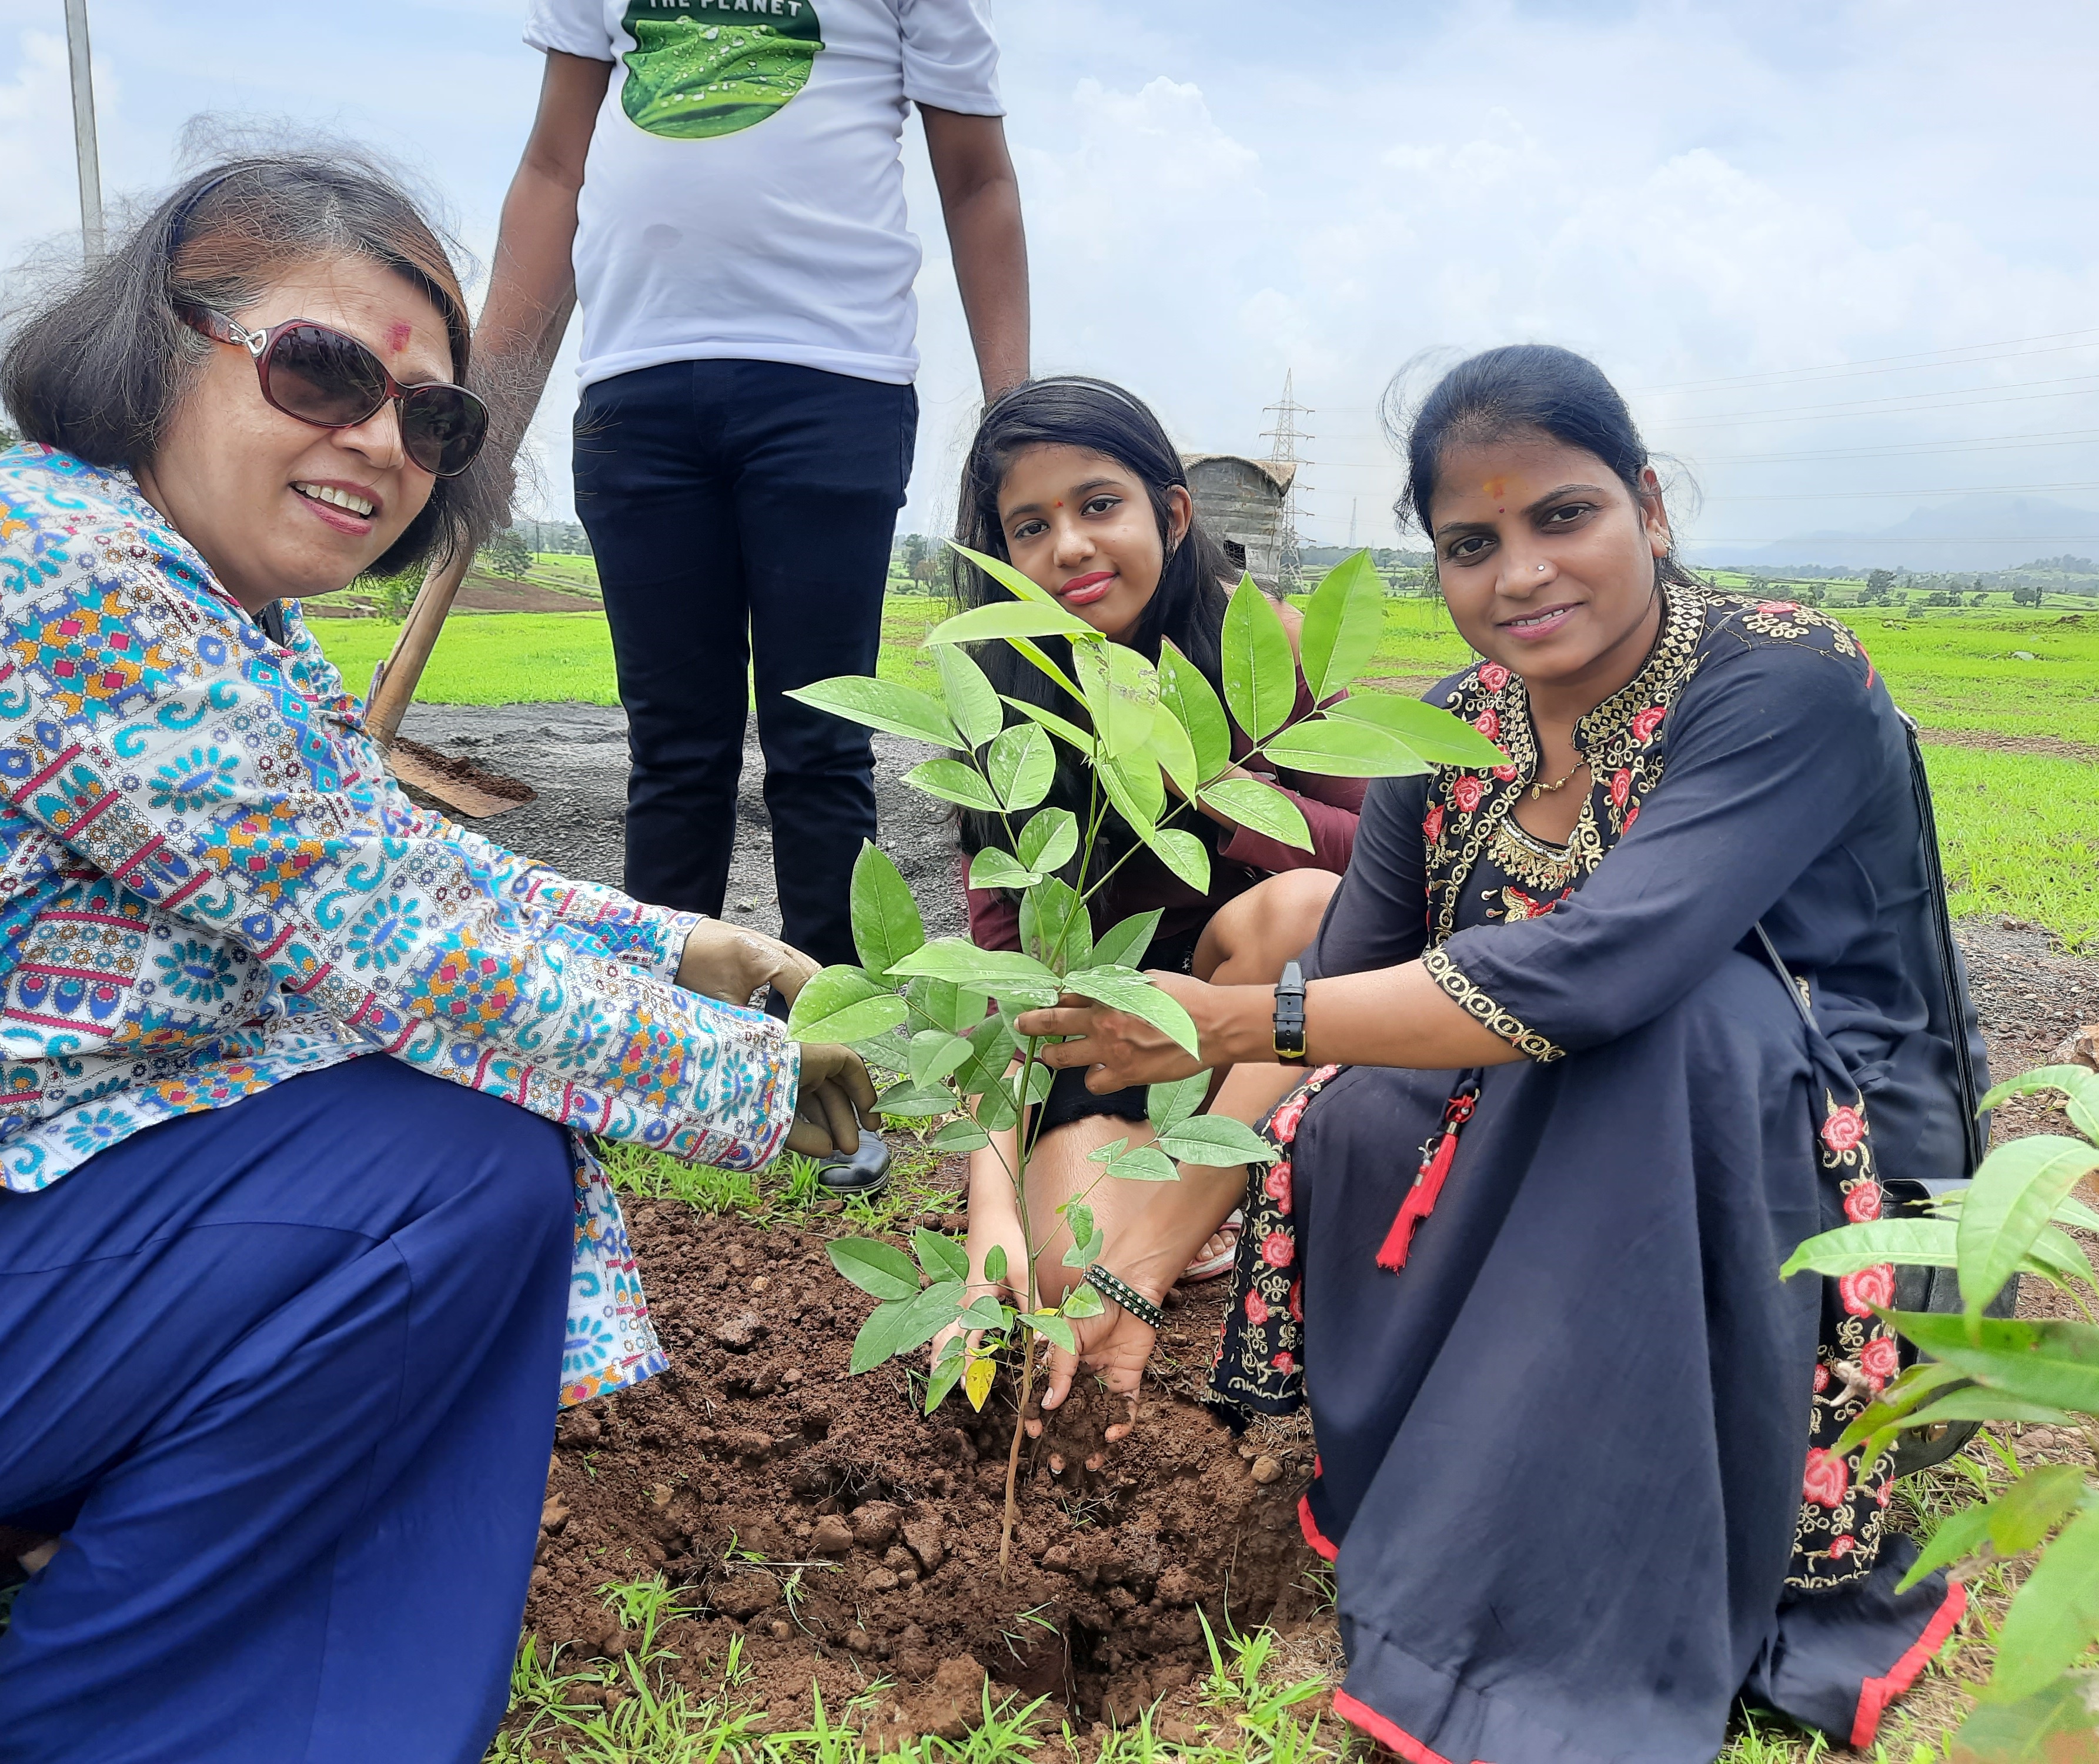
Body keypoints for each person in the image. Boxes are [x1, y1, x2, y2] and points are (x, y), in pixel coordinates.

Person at [0, 153, 874, 1764]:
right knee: (445, 1168)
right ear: (157, 339)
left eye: (433, 419)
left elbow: (399, 866)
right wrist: (754, 1080)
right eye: (320, 370)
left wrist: (689, 948)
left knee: (444, 1149)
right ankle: (144, 1717)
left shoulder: (209, 606)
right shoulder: (60, 576)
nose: (381, 444)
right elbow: (389, 943)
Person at [1009, 346, 1986, 1759]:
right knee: (1352, 1117)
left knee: (1686, 1018)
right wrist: (1133, 1272)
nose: (1520, 573)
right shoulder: (1452, 734)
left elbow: (1607, 967)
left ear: (1648, 506)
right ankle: (1479, 1458)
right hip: (1586, 1111)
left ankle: (1576, 1588)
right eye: (1473, 543)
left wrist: (1245, 1011)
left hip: (1822, 1174)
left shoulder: (1784, 675)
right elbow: (1339, 998)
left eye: (1562, 517)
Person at [477, 1, 1029, 1191]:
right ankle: (654, 1077)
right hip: (637, 392)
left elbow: (975, 180)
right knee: (672, 749)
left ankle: (839, 1090)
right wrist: (480, 420)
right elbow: (553, 168)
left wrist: (1014, 415)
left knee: (819, 749)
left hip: (835, 385)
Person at [946, 378, 1362, 1304]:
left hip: (1256, 1014)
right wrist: (989, 1233)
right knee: (1066, 1268)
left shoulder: (1261, 647)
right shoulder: (1001, 704)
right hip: (1108, 1026)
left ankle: (1212, 1194)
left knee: (1303, 908)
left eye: (1099, 505)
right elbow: (1005, 985)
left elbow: (1388, 866)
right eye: (1029, 527)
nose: (1071, 546)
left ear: (1172, 514)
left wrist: (1215, 794)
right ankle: (1217, 1191)